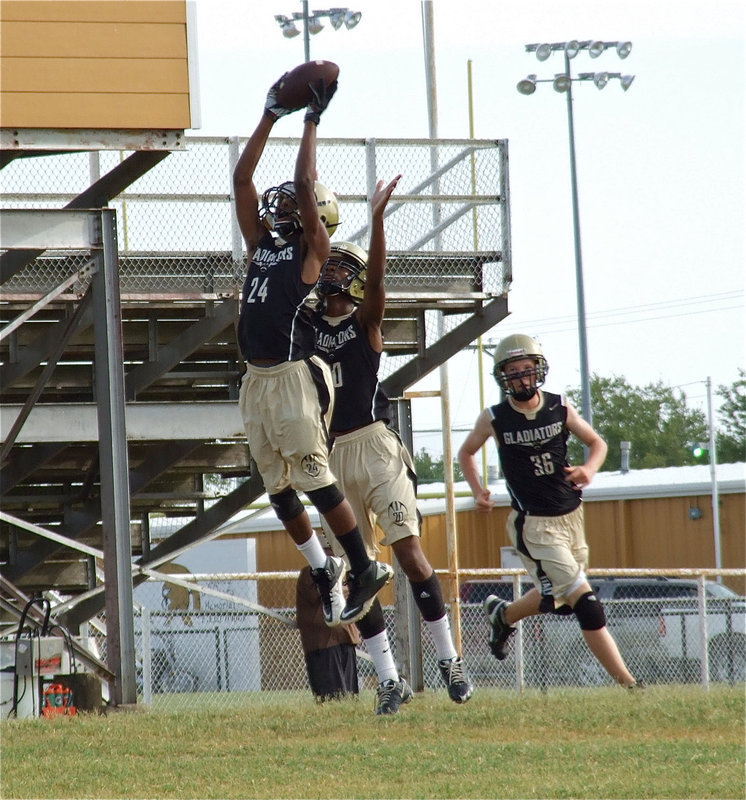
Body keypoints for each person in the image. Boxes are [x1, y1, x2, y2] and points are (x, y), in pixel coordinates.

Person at [233, 72, 393, 627]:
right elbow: (241, 178)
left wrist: (310, 120)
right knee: (277, 490)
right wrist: (268, 115)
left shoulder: (311, 251)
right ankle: (324, 567)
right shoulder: (262, 247)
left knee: (314, 479)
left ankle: (362, 566)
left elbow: (305, 184)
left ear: (312, 218)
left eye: (292, 207)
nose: (278, 208)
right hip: (255, 380)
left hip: (292, 378)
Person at [311, 175, 474, 714]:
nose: (335, 274)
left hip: (376, 445)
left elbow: (378, 281)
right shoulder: (303, 327)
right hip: (331, 456)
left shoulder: (366, 322)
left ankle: (449, 658)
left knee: (407, 552)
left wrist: (378, 221)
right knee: (359, 575)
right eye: (331, 266)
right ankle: (388, 679)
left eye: (345, 269)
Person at [457, 333, 643, 689]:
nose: (522, 379)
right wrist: (478, 489)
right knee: (586, 604)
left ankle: (503, 616)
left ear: (539, 370)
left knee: (555, 600)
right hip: (535, 525)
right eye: (514, 372)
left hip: (572, 517)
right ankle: (631, 686)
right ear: (503, 376)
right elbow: (466, 452)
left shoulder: (559, 407)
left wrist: (589, 469)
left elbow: (597, 442)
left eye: (528, 370)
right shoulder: (495, 418)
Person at [296, 534, 361, 702]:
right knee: (331, 698)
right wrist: (345, 587)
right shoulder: (309, 573)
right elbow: (325, 591)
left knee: (350, 697)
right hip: (323, 645)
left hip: (345, 639)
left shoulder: (344, 570)